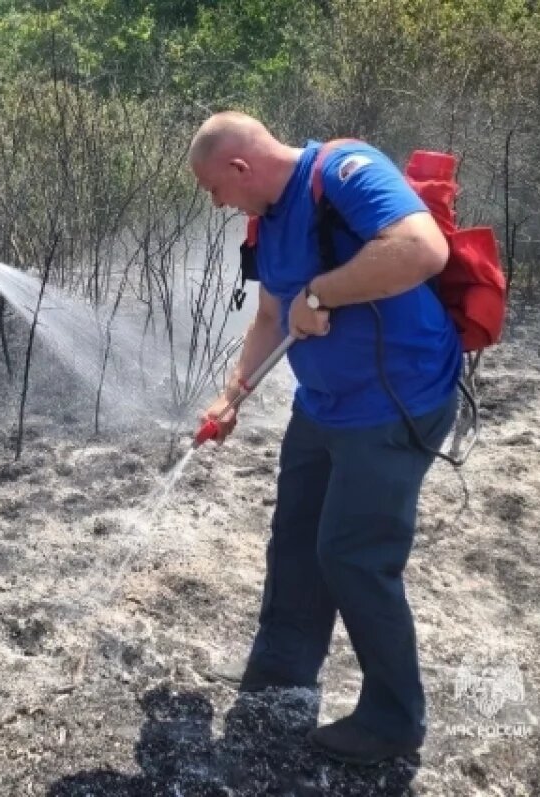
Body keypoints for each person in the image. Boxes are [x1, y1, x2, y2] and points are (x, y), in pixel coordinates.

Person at [188, 111, 461, 764]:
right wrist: (233, 395)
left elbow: (422, 249)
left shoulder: (345, 171)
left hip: (395, 401)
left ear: (240, 167)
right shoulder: (267, 219)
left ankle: (394, 719)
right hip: (324, 406)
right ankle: (283, 667)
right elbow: (270, 315)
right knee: (296, 536)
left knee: (352, 555)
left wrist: (322, 293)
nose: (217, 204)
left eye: (215, 189)